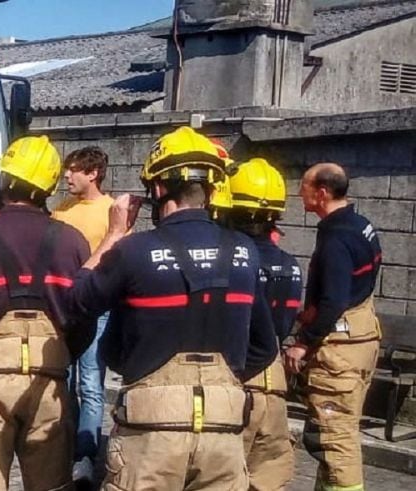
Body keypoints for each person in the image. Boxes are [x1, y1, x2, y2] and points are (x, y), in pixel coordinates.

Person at [66, 126, 274, 490]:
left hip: (151, 432)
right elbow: (264, 347)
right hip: (223, 428)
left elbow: (77, 300)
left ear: (158, 189)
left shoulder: (134, 251)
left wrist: (114, 234)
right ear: (211, 187)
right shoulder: (245, 251)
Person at [0, 135, 91, 490]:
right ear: (50, 185)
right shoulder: (73, 241)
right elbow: (85, 320)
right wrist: (60, 355)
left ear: (6, 179)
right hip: (48, 380)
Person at [285, 162, 382, 491]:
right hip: (363, 337)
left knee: (336, 440)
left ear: (322, 193)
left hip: (340, 352)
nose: (300, 193)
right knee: (338, 431)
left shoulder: (336, 240)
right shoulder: (360, 224)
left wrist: (304, 342)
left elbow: (334, 300)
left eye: (305, 187)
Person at [222, 158, 301, 490]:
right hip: (275, 388)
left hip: (238, 385)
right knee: (267, 479)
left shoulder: (234, 262)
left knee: (222, 477)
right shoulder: (290, 265)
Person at [49, 145, 114, 484]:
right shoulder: (60, 209)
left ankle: (85, 456)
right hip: (64, 306)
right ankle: (70, 445)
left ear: (93, 173)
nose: (67, 176)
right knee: (64, 381)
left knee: (90, 382)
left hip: (98, 309)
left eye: (75, 170)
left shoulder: (110, 211)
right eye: (67, 169)